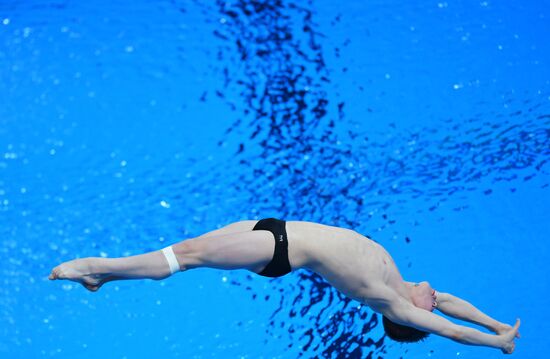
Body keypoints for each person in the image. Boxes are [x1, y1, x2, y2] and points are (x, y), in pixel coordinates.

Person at [49, 217, 521, 354]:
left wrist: (494, 344)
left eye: (431, 304)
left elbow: (451, 328)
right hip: (276, 225)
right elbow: (455, 307)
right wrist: (498, 322)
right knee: (192, 244)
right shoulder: (404, 281)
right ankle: (103, 280)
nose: (436, 295)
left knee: (187, 258)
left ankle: (96, 267)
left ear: (418, 315)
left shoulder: (396, 304)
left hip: (279, 252)